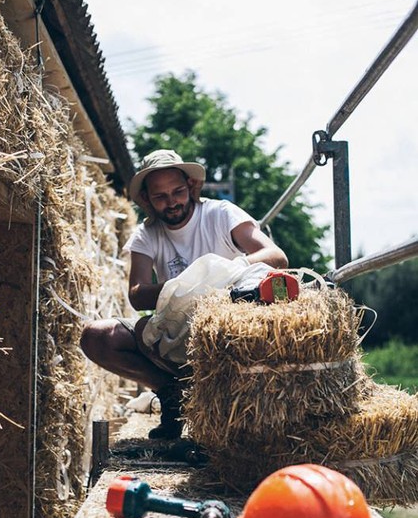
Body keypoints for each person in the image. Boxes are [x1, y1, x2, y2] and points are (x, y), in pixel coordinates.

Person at [81, 149, 288, 439]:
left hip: (226, 327)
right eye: (160, 196)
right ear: (146, 200)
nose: (172, 202)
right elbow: (137, 294)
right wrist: (185, 285)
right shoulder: (146, 233)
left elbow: (276, 257)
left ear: (191, 186)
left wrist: (216, 273)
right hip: (174, 331)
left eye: (177, 191)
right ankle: (170, 392)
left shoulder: (220, 213)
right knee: (97, 337)